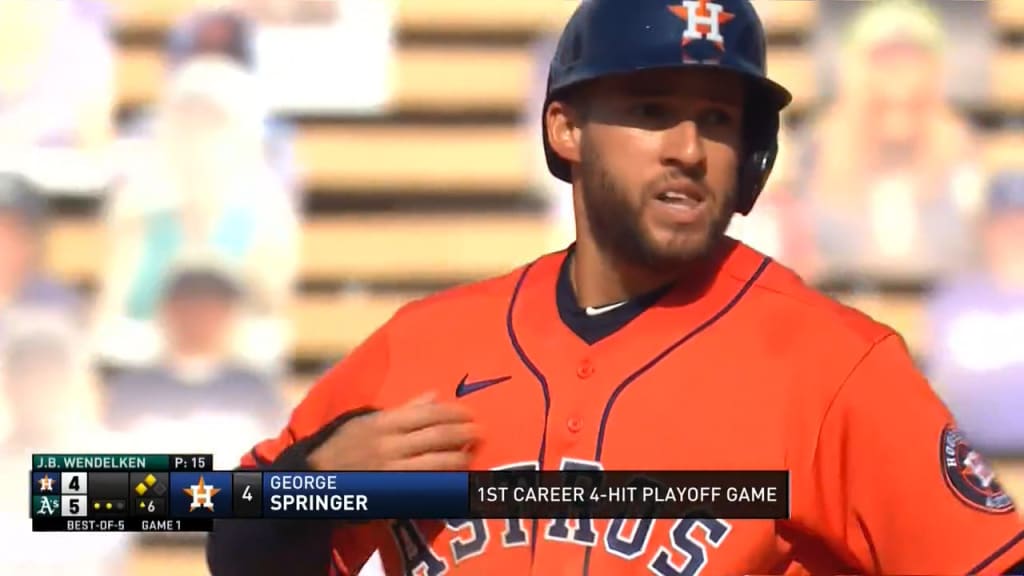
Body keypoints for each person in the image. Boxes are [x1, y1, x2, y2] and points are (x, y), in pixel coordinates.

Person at [207, 1, 1024, 574]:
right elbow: (227, 542)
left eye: (718, 120)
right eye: (651, 107)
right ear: (566, 128)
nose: (688, 148)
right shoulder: (427, 342)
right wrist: (311, 483)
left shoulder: (836, 369)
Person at [925, 171, 1024, 457]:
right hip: (970, 460)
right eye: (1007, 224)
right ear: (986, 229)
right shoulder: (951, 299)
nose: (1017, 233)